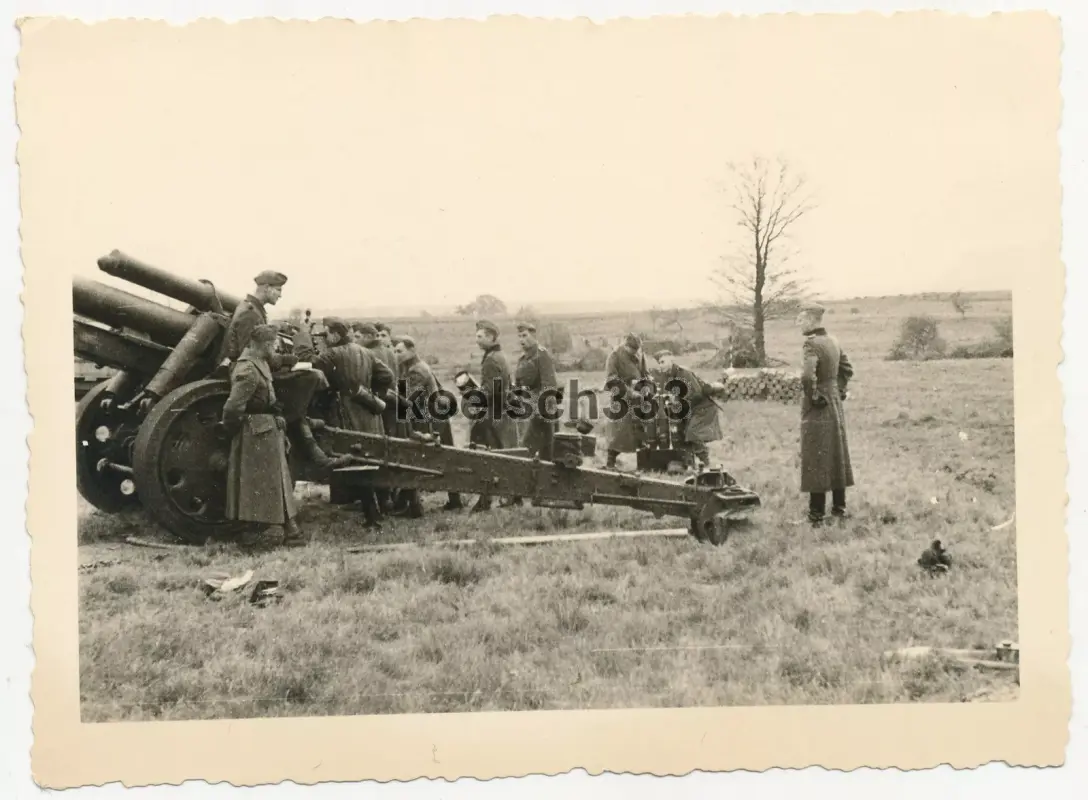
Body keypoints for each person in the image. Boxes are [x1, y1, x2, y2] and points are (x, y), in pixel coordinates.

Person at [216, 270, 346, 473]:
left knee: (304, 381)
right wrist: (285, 360)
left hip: (256, 369)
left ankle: (312, 443)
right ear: (266, 288)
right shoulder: (251, 312)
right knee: (307, 379)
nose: (280, 295)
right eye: (278, 290)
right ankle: (308, 437)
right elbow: (249, 353)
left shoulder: (253, 309)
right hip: (253, 373)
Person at [219, 324, 306, 549]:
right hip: (255, 430)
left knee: (270, 481)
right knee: (263, 482)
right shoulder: (247, 368)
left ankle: (282, 532)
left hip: (263, 429)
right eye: (274, 344)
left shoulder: (259, 363)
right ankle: (281, 531)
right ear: (265, 345)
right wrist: (231, 429)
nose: (275, 348)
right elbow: (233, 407)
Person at [311, 318, 397, 529]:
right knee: (371, 459)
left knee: (357, 464)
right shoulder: (364, 352)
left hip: (346, 415)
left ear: (336, 335)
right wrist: (370, 394)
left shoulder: (331, 354)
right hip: (369, 414)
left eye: (327, 335)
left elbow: (311, 371)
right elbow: (387, 375)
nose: (325, 339)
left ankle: (372, 516)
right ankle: (382, 505)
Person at [390, 335, 464, 514]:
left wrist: (390, 396)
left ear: (412, 350)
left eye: (400, 351)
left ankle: (413, 506)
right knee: (442, 458)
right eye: (395, 351)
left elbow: (408, 399)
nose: (396, 354)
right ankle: (452, 500)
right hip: (432, 417)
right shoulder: (411, 367)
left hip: (430, 420)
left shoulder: (417, 371)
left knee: (419, 459)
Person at [797, 303, 855, 525]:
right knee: (836, 453)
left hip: (819, 406)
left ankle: (816, 515)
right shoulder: (833, 341)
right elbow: (847, 369)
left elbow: (806, 377)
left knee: (816, 456)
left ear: (812, 320)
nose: (799, 323)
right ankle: (839, 509)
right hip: (834, 403)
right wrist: (838, 390)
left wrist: (813, 397)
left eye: (801, 319)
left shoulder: (811, 345)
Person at [465, 319, 519, 512]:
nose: (476, 340)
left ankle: (487, 499)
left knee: (488, 457)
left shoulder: (490, 359)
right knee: (502, 455)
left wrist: (472, 395)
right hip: (501, 412)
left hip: (492, 414)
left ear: (490, 337)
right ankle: (509, 496)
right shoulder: (499, 355)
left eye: (480, 336)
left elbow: (491, 388)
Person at [651, 350, 727, 470]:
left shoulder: (684, 373)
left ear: (671, 359)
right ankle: (689, 464)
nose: (661, 365)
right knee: (680, 434)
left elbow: (697, 394)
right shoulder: (667, 376)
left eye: (663, 362)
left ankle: (707, 463)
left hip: (702, 407)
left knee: (693, 434)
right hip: (687, 410)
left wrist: (677, 399)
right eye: (659, 363)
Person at [513, 320, 561, 465]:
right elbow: (518, 384)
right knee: (530, 450)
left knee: (534, 450)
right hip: (527, 411)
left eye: (525, 335)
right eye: (520, 336)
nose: (521, 340)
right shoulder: (522, 359)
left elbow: (549, 385)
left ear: (533, 336)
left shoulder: (542, 356)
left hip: (542, 411)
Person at [603, 332, 649, 470]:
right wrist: (629, 392)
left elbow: (645, 372)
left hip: (639, 399)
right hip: (621, 398)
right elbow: (611, 379)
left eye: (637, 350)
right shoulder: (615, 356)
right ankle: (610, 463)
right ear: (626, 346)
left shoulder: (640, 355)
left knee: (642, 432)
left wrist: (647, 383)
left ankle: (645, 464)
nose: (635, 353)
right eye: (632, 350)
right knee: (618, 433)